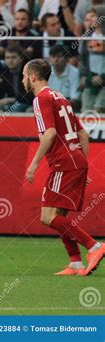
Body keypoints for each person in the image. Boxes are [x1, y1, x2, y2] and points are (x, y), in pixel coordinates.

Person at [24, 59, 104, 276]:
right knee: (60, 215)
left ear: (32, 77)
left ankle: (94, 246)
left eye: (24, 76)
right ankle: (75, 263)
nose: (23, 80)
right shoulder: (62, 98)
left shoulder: (40, 99)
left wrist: (33, 164)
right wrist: (82, 163)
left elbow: (49, 133)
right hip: (75, 162)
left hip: (62, 164)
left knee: (47, 216)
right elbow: (83, 134)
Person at [0, 44, 33, 112]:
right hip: (12, 104)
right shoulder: (4, 73)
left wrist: (13, 99)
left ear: (21, 59)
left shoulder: (28, 73)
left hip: (28, 104)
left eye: (13, 57)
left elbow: (30, 97)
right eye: (7, 58)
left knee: (15, 109)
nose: (10, 61)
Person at [48, 45, 80, 110]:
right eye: (53, 56)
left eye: (59, 57)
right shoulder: (46, 72)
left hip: (68, 107)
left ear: (66, 59)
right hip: (50, 105)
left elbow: (74, 99)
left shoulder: (75, 72)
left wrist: (59, 106)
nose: (56, 60)